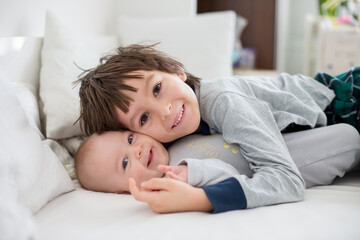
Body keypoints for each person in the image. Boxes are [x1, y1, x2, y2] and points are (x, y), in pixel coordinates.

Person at [74, 44, 360, 213]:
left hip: (345, 100)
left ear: (177, 73)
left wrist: (199, 199)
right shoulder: (170, 142)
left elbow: (286, 180)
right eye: (144, 119)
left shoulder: (224, 102)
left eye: (158, 88)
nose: (165, 111)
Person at [75, 126, 360, 195]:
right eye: (125, 164)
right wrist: (191, 173)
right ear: (124, 191)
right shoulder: (173, 179)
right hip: (283, 164)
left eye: (129, 139)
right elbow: (229, 176)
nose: (136, 150)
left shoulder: (170, 141)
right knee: (347, 140)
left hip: (270, 142)